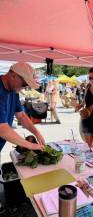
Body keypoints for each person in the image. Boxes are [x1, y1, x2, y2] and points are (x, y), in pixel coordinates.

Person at [0, 62, 45, 213]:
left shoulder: (13, 90)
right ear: (13, 74)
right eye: (24, 83)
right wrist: (30, 145)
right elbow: (3, 129)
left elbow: (21, 116)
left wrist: (37, 133)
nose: (24, 87)